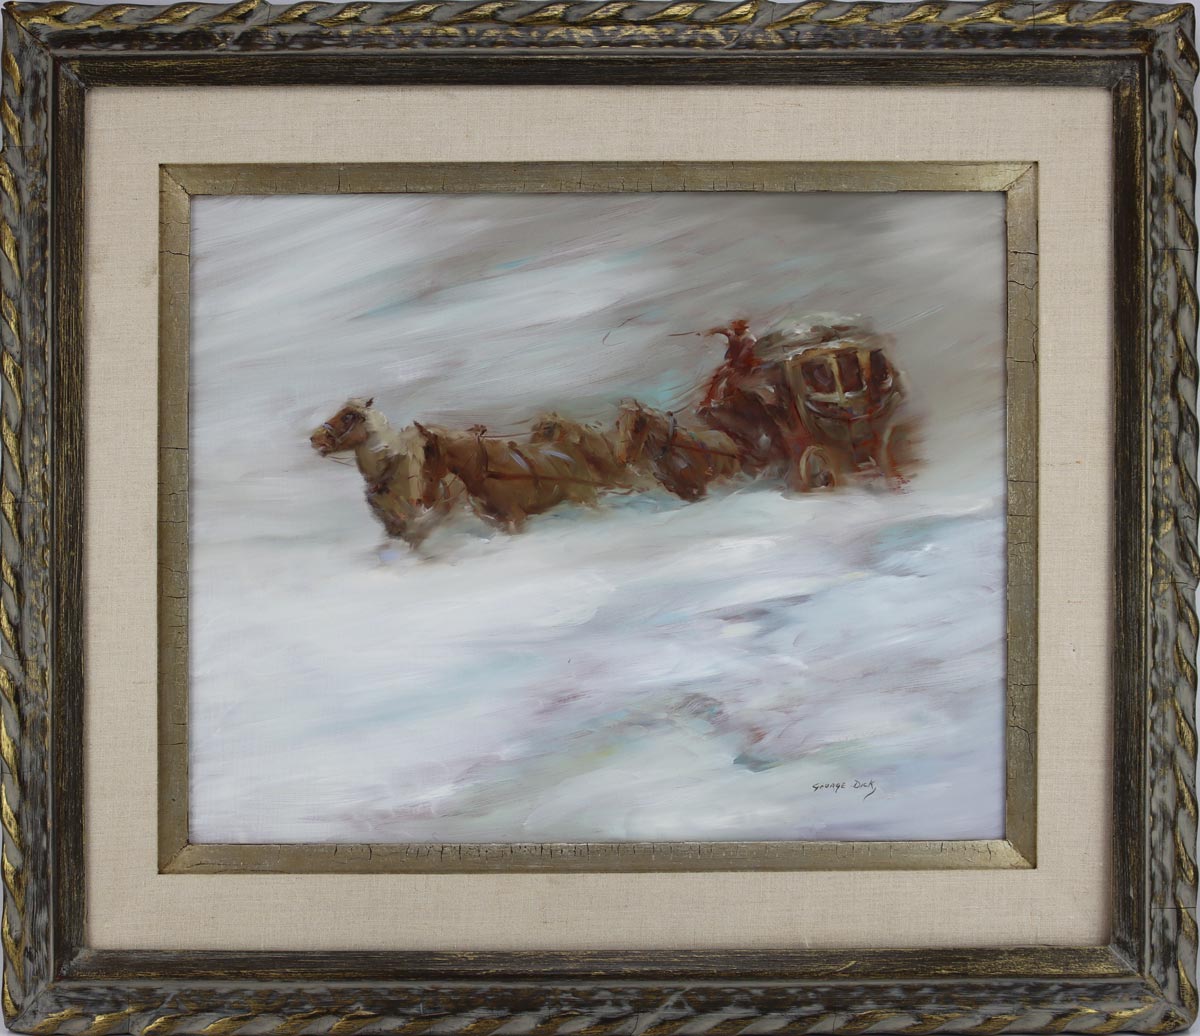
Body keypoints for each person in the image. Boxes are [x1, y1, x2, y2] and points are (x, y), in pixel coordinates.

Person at [702, 319, 758, 407]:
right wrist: (712, 332)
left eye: (737, 329)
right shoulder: (737, 336)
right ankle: (710, 400)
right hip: (735, 366)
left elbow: (744, 356)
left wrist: (735, 366)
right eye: (735, 329)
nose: (735, 330)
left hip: (741, 368)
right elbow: (727, 332)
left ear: (742, 329)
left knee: (722, 381)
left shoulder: (749, 340)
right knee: (718, 380)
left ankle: (713, 400)